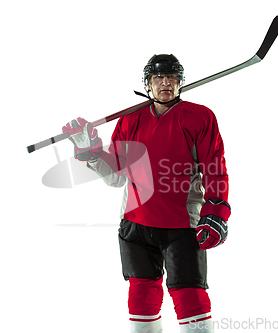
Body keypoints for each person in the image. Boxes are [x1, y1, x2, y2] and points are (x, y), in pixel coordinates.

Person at [62, 54, 230, 333]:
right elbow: (116, 176)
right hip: (136, 224)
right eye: (158, 78)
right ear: (148, 85)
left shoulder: (199, 117)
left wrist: (216, 211)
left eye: (172, 78)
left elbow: (215, 168)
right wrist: (91, 153)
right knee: (141, 298)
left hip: (182, 225)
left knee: (191, 298)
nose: (165, 83)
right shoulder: (131, 119)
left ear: (181, 83)